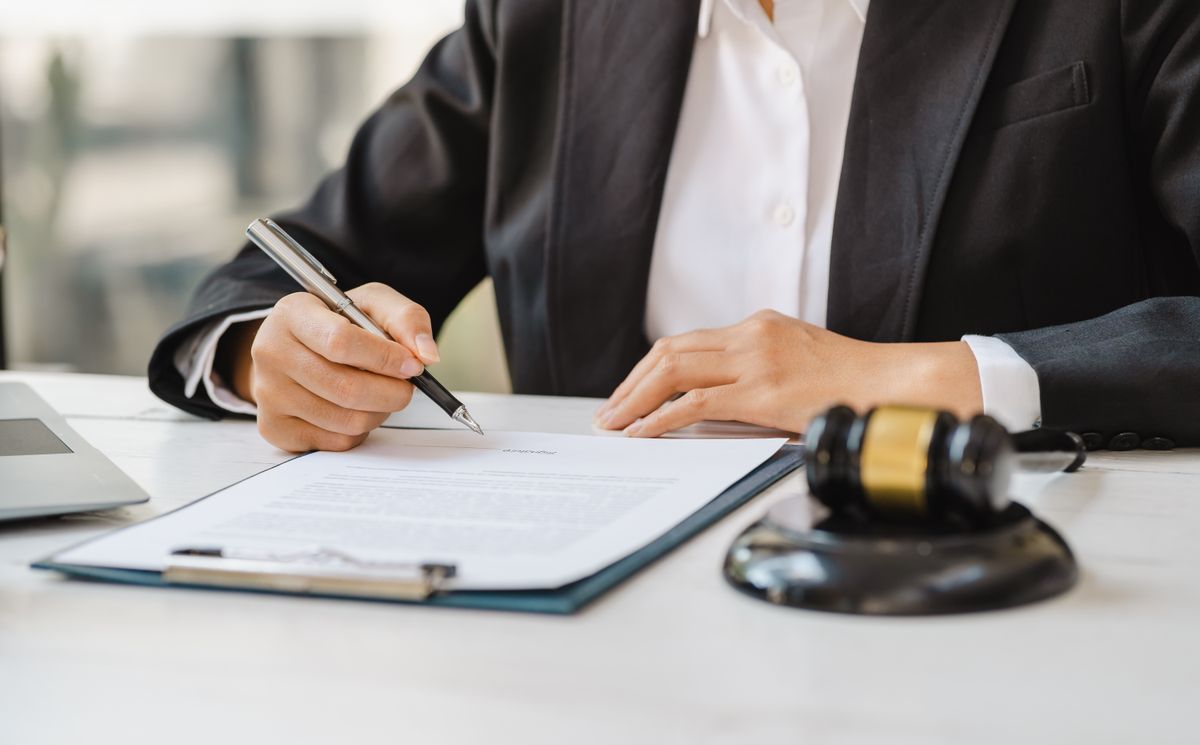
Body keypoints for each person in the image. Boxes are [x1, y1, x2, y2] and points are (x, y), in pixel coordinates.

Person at [149, 0, 1200, 453]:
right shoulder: (545, 18)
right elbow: (278, 272)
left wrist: (918, 378)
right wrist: (264, 355)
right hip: (598, 648)